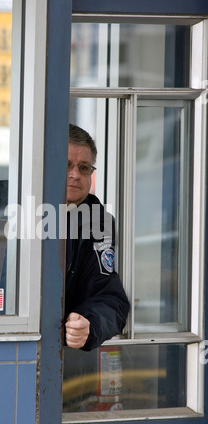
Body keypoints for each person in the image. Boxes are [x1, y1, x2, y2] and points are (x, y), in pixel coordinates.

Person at [65, 123, 129, 351]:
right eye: (67, 165)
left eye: (84, 168)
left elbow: (110, 298)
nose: (75, 174)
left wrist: (88, 324)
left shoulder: (96, 223)